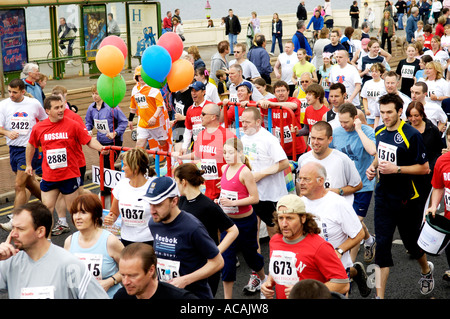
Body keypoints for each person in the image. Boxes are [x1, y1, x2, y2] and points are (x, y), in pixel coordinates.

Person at [366, 93, 434, 298]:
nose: (385, 116)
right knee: (383, 247)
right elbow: (380, 154)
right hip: (383, 197)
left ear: (398, 112)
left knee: (412, 245)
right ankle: (379, 296)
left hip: (406, 199)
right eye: (382, 112)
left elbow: (425, 168)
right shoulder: (378, 131)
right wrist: (372, 167)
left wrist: (397, 169)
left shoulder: (411, 134)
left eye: (389, 112)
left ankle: (426, 270)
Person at [25, 95, 106, 235]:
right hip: (50, 176)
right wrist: (28, 165)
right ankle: (47, 243)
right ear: (47, 111)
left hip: (69, 175)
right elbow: (31, 145)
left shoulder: (72, 124)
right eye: (56, 108)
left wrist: (101, 148)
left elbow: (88, 140)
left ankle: (86, 239)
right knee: (46, 211)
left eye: (62, 106)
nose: (61, 110)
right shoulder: (39, 127)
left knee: (74, 211)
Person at [0, 201, 109, 299]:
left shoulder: (70, 266)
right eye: (13, 228)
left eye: (20, 229)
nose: (13, 234)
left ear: (40, 231)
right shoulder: (9, 261)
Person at [143, 176, 225, 299]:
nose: (152, 210)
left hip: (194, 296)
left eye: (158, 204)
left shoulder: (192, 227)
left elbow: (217, 262)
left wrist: (185, 280)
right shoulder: (153, 223)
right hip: (167, 294)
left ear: (174, 201)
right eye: (150, 204)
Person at [298, 162, 370, 297]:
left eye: (306, 179)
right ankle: (356, 271)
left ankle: (350, 271)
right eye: (300, 178)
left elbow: (359, 233)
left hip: (336, 267)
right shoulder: (299, 203)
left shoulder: (338, 204)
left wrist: (339, 251)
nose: (301, 183)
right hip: (310, 266)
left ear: (320, 181)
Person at [260, 194, 350, 299]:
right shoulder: (275, 241)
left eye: (289, 218)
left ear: (303, 218)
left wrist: (305, 293)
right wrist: (269, 281)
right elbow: (281, 268)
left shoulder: (320, 247)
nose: (284, 224)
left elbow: (343, 284)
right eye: (280, 218)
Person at [174, 163, 238, 297]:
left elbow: (233, 230)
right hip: (189, 263)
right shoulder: (181, 201)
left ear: (183, 182)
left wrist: (216, 251)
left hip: (207, 267)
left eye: (176, 182)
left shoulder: (208, 205)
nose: (176, 186)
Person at [216, 137, 266, 297]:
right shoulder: (224, 168)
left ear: (240, 153)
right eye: (224, 152)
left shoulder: (245, 171)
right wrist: (222, 197)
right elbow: (228, 190)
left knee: (251, 256)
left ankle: (264, 279)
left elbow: (255, 198)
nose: (227, 156)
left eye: (230, 152)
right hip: (228, 223)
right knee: (227, 260)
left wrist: (232, 202)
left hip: (246, 222)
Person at [330, 103, 377, 264]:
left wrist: (358, 129)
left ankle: (349, 265)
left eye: (346, 122)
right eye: (340, 122)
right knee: (350, 222)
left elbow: (372, 151)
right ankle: (369, 240)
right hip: (343, 186)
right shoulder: (336, 133)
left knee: (354, 224)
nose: (343, 125)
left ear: (355, 119)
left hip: (364, 184)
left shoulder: (367, 131)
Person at [0, 79, 47, 231]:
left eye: (15, 92)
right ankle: (49, 204)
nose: (11, 95)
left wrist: (40, 138)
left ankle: (15, 220)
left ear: (23, 91)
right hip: (13, 149)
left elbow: (45, 121)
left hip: (29, 149)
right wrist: (7, 132)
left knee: (18, 185)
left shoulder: (33, 104)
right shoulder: (4, 104)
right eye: (9, 91)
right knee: (30, 184)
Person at [241, 106, 290, 240]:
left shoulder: (268, 139)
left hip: (270, 194)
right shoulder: (244, 138)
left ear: (258, 122)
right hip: (252, 193)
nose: (243, 125)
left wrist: (261, 175)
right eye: (242, 122)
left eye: (247, 122)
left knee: (274, 232)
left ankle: (275, 258)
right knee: (252, 231)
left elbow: (284, 163)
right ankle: (256, 261)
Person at [64, 193, 124, 298]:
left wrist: (110, 281)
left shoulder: (110, 241)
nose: (77, 217)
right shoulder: (69, 241)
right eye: (74, 213)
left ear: (95, 216)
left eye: (83, 212)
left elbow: (128, 269)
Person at [177, 103, 236, 201]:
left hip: (224, 191)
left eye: (203, 114)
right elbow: (197, 154)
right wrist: (182, 157)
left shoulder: (228, 136)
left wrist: (228, 180)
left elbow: (240, 163)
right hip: (207, 191)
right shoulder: (201, 134)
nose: (200, 116)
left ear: (213, 117)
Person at [297, 121, 363, 205]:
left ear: (330, 139)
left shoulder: (342, 159)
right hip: (313, 212)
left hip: (337, 211)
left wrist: (338, 191)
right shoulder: (303, 159)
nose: (315, 142)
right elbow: (300, 187)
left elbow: (358, 185)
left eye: (320, 139)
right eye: (313, 138)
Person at [104, 148, 156, 247]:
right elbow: (114, 213)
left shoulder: (153, 186)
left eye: (125, 165)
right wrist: (110, 218)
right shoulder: (121, 185)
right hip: (126, 240)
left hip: (149, 240)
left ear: (135, 168)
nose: (122, 168)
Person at [114, 243, 199, 299]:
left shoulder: (180, 297)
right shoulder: (121, 296)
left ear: (151, 270)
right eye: (123, 275)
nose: (125, 282)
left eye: (132, 275)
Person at [85, 84, 128, 173]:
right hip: (100, 143)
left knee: (107, 165)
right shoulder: (91, 108)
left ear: (103, 94)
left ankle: (111, 185)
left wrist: (115, 133)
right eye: (93, 94)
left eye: (97, 94)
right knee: (105, 166)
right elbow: (88, 122)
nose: (94, 96)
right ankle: (112, 184)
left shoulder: (112, 107)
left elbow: (124, 121)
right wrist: (88, 130)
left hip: (114, 142)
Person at [258, 81, 306, 160]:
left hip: (296, 147)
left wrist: (273, 105)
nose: (281, 93)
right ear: (274, 93)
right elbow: (260, 102)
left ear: (288, 91)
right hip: (280, 148)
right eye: (278, 91)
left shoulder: (293, 100)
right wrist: (262, 102)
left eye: (283, 90)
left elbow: (293, 106)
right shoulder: (272, 101)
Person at [129, 66, 171, 155]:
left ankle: (167, 158)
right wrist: (130, 120)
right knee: (139, 144)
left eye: (143, 76)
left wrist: (154, 117)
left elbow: (160, 106)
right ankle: (138, 164)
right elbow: (133, 107)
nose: (141, 78)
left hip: (156, 124)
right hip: (143, 123)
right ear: (136, 78)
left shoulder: (153, 89)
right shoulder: (134, 90)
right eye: (139, 76)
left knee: (162, 143)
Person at [180, 81, 213, 153]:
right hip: (197, 148)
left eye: (196, 91)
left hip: (211, 147)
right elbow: (188, 130)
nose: (193, 93)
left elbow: (220, 124)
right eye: (192, 91)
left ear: (203, 92)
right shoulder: (190, 109)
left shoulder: (211, 106)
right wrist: (184, 147)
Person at [361, 63, 387, 127]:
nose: (374, 73)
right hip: (370, 114)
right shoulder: (367, 83)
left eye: (376, 72)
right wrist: (366, 109)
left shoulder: (384, 83)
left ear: (380, 73)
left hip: (381, 114)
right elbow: (364, 98)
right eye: (372, 72)